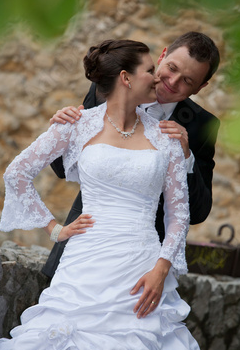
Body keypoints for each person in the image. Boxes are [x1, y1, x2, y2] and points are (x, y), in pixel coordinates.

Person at [0, 39, 207, 350]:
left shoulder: (167, 136)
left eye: (184, 79)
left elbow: (180, 214)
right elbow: (17, 173)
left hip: (140, 265)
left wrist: (162, 267)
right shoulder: (78, 124)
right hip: (84, 261)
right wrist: (54, 228)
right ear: (125, 78)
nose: (160, 78)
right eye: (152, 70)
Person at [42, 31, 220, 279]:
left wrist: (186, 157)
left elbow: (198, 212)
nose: (172, 81)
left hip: (143, 266)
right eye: (171, 68)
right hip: (80, 248)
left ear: (200, 87)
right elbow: (62, 169)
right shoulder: (108, 87)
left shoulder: (202, 126)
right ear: (163, 55)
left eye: (188, 81)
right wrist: (60, 131)